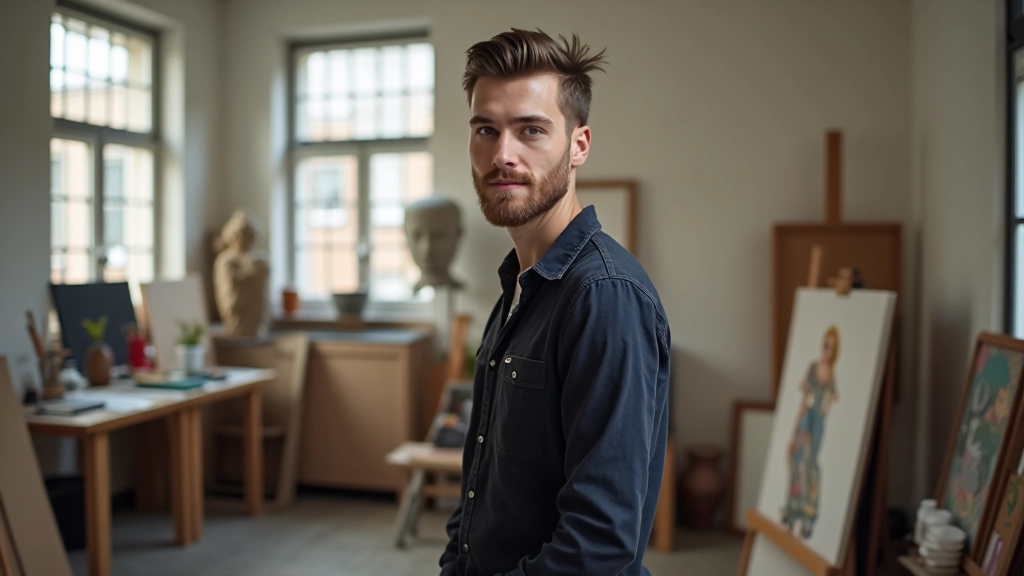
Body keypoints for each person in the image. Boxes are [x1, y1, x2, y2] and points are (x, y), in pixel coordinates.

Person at [439, 29, 671, 576]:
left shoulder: (604, 297)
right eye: (486, 130)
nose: (503, 154)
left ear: (580, 144)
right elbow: (482, 485)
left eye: (531, 131)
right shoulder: (517, 285)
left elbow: (600, 542)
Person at [781, 326, 840, 539]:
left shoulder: (832, 374)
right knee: (796, 460)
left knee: (811, 465)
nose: (827, 351)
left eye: (831, 348)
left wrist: (826, 408)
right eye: (825, 345)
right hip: (806, 420)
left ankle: (809, 515)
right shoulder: (813, 367)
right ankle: (792, 511)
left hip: (818, 424)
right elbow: (803, 401)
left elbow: (831, 401)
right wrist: (794, 431)